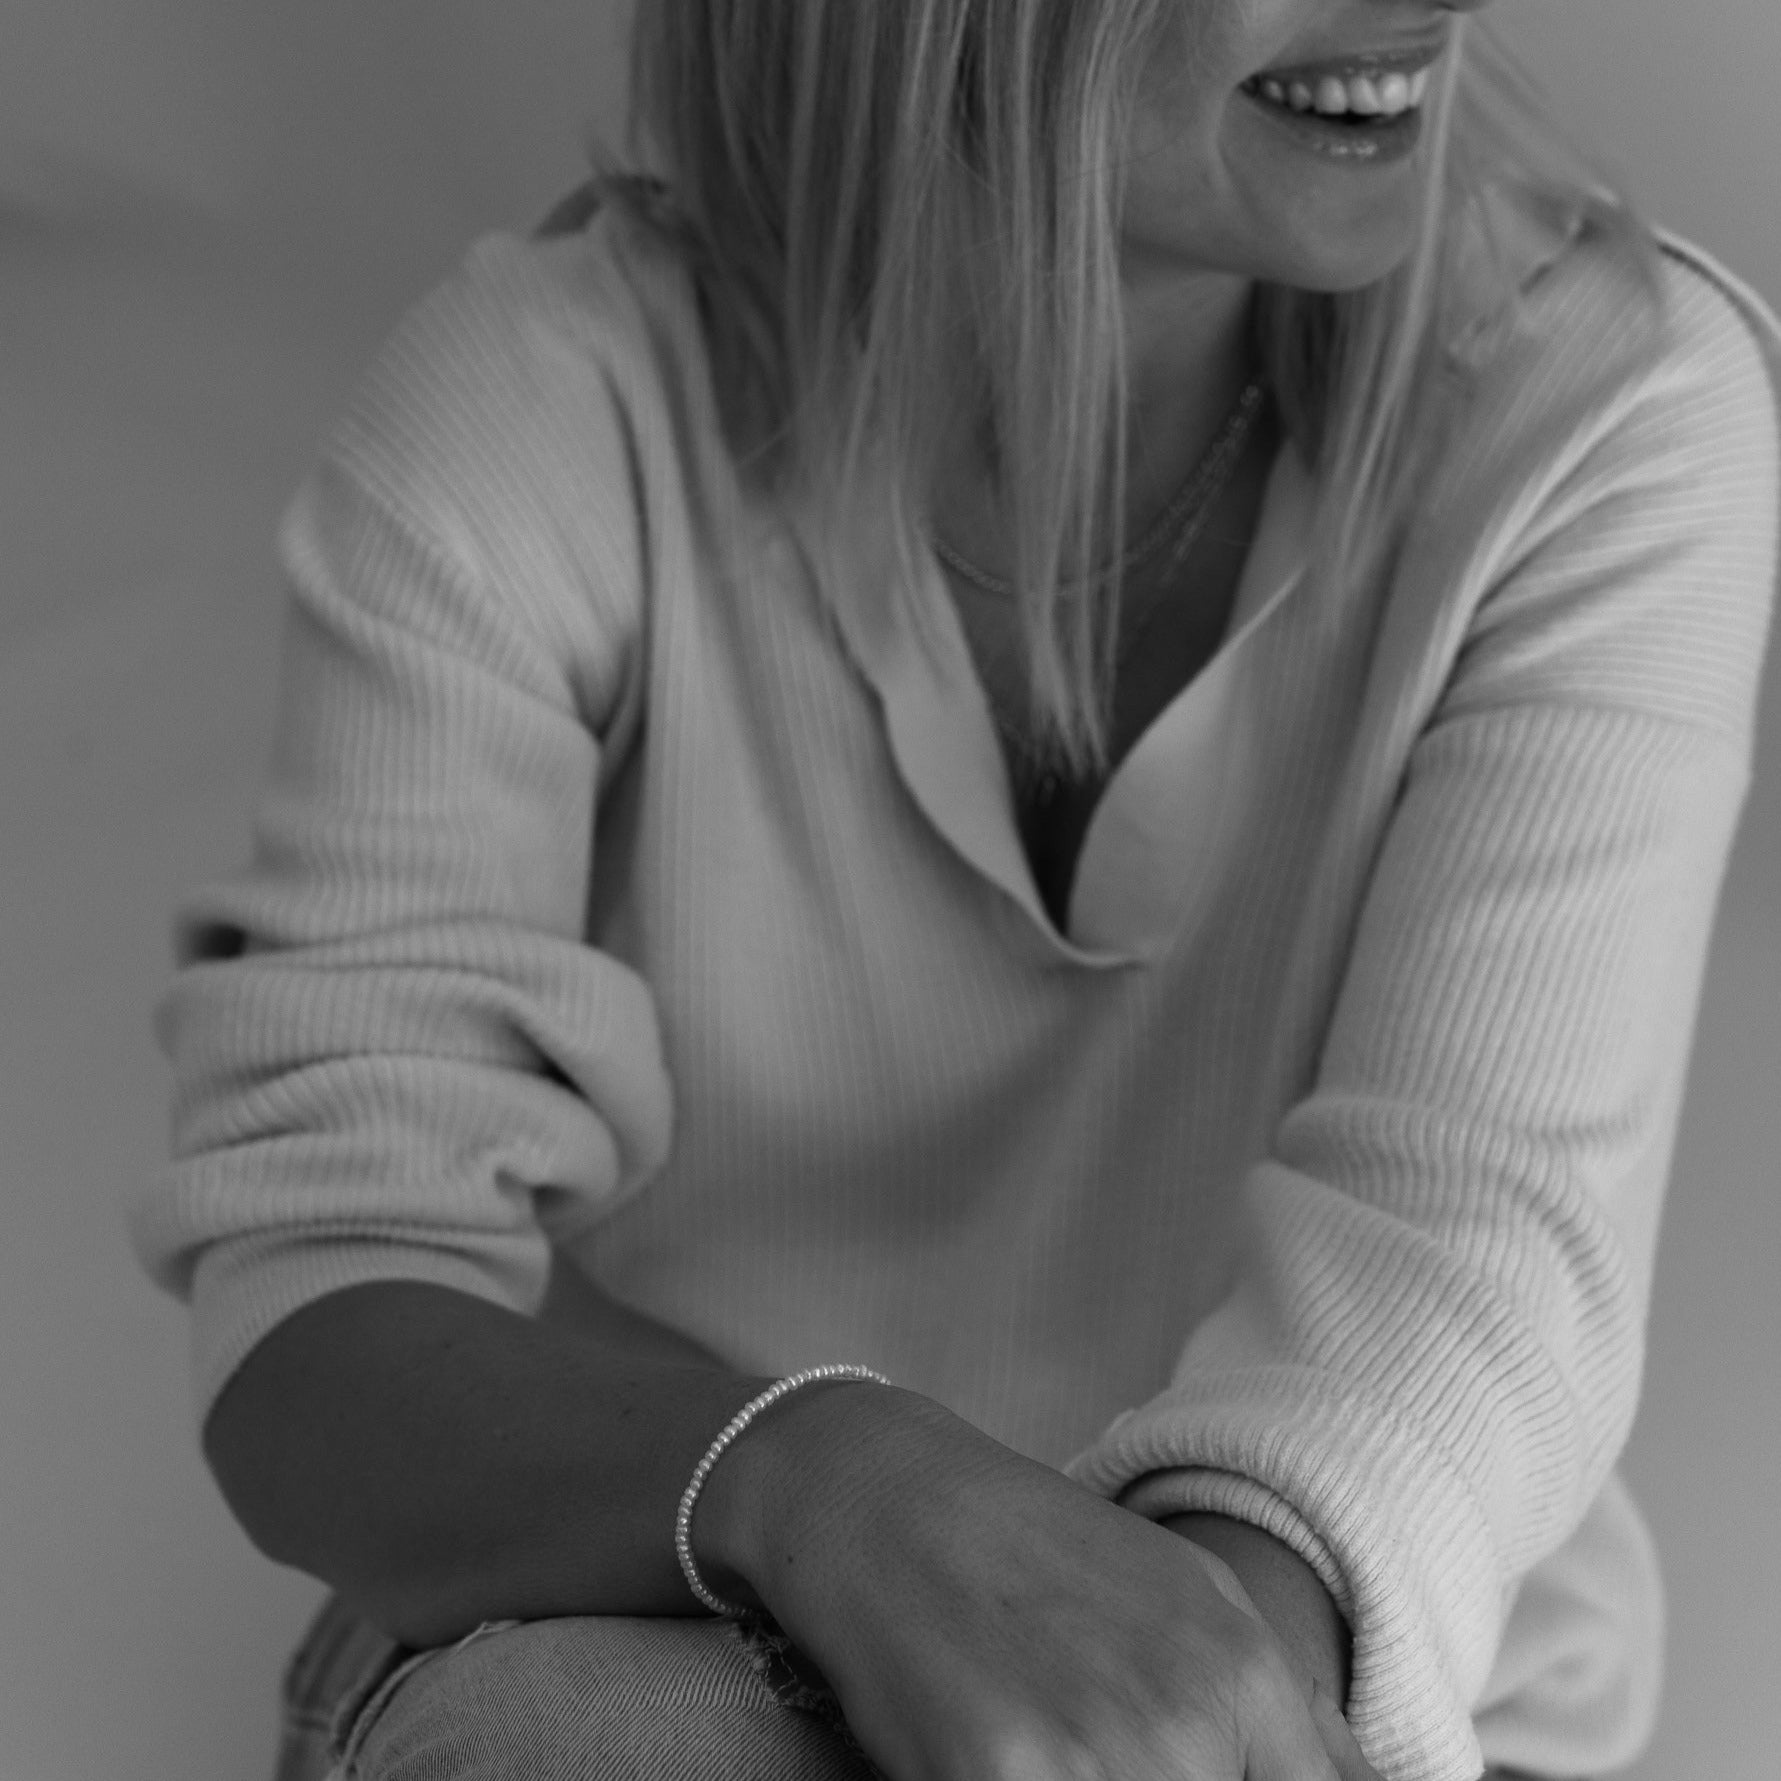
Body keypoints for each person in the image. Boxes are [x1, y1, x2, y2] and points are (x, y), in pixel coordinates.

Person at [130, 2, 1781, 1779]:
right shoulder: (547, 411)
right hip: (673, 1605)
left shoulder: (1604, 400)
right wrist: (822, 1476)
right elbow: (323, 1316)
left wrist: (1173, 1685)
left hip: (1347, 1669)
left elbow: (1466, 1264)